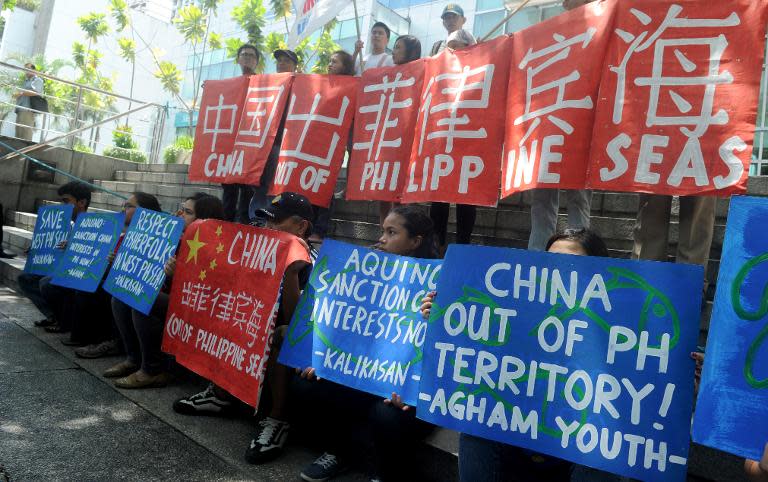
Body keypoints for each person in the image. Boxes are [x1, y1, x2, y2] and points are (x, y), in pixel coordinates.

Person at [420, 228, 610, 482]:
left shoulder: (618, 331)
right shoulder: (511, 312)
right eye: (550, 261)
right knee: (477, 426)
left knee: (602, 452)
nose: (558, 271)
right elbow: (467, 355)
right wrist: (443, 318)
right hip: (514, 445)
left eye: (572, 264)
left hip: (577, 454)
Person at [296, 205, 439, 482]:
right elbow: (346, 326)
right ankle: (339, 452)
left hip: (406, 389)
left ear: (415, 241)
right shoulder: (367, 268)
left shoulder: (438, 284)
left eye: (392, 232)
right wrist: (324, 364)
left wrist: (412, 392)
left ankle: (387, 473)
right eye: (382, 231)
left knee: (387, 414)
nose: (382, 238)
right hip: (365, 373)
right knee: (306, 384)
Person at [171, 193, 316, 462]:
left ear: (301, 227)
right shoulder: (254, 251)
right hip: (253, 323)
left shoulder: (312, 263)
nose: (269, 229)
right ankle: (220, 393)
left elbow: (299, 323)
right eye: (266, 222)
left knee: (282, 334)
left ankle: (278, 420)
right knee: (224, 305)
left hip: (285, 336)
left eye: (277, 222)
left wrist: (291, 273)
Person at [104, 193, 225, 389]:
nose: (179, 214)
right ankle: (133, 358)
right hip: (173, 297)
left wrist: (177, 275)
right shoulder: (175, 238)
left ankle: (152, 370)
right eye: (181, 208)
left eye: (187, 212)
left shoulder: (216, 247)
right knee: (122, 294)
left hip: (197, 306)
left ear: (204, 220)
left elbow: (204, 291)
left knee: (144, 299)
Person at [527, 0, 596, 252]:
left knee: (578, 197)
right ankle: (537, 256)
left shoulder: (601, 25)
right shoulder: (548, 31)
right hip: (548, 125)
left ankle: (578, 253)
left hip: (581, 125)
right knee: (542, 198)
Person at [73, 192, 162, 358]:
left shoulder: (163, 240)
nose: (123, 209)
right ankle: (89, 336)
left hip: (144, 288)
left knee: (109, 291)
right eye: (124, 205)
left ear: (145, 211)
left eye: (129, 206)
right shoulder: (126, 235)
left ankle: (115, 343)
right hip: (121, 281)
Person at [18, 182, 92, 333]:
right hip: (61, 268)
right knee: (25, 278)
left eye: (66, 201)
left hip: (79, 273)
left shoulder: (94, 225)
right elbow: (56, 249)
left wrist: (74, 247)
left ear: (82, 202)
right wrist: (38, 249)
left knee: (47, 283)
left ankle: (65, 322)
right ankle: (54, 316)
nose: (62, 205)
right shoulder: (67, 225)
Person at [428, 28, 477, 251]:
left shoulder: (480, 68)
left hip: (469, 139)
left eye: (456, 45)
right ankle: (437, 243)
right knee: (439, 195)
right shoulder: (439, 71)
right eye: (449, 45)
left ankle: (463, 246)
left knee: (467, 196)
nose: (452, 50)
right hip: (443, 138)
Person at [308, 51, 356, 242]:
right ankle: (309, 226)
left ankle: (320, 230)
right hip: (316, 143)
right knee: (311, 185)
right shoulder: (322, 85)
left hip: (334, 146)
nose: (329, 64)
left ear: (345, 66)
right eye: (329, 61)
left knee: (325, 186)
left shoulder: (352, 87)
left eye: (334, 62)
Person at [377, 35, 422, 224]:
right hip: (387, 136)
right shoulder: (386, 75)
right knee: (382, 187)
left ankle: (398, 230)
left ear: (410, 51)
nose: (393, 51)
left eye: (398, 47)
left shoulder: (422, 71)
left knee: (399, 188)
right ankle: (384, 230)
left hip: (407, 139)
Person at [222, 44, 261, 225]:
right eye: (244, 54)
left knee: (247, 189)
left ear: (257, 61)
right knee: (228, 188)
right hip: (230, 145)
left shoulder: (264, 84)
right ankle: (225, 223)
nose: (247, 58)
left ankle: (242, 225)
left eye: (251, 55)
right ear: (238, 59)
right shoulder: (229, 85)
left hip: (251, 144)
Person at [13, 63, 44, 141]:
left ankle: (24, 152)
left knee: (26, 135)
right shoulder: (26, 81)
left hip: (28, 110)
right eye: (25, 70)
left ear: (34, 70)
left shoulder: (37, 80)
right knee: (18, 133)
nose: (26, 71)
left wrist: (22, 93)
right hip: (20, 109)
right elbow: (23, 93)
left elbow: (36, 92)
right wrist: (18, 95)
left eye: (28, 69)